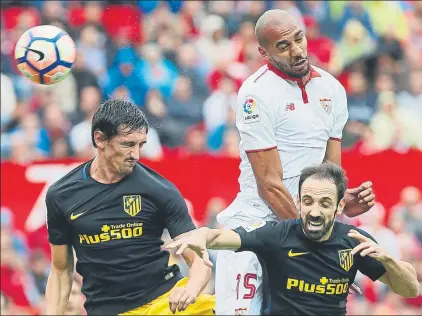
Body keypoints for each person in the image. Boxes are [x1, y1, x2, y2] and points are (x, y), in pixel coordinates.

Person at [215, 9, 376, 315]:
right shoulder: (255, 94)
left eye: (299, 38)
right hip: (256, 222)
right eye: (283, 46)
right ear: (263, 52)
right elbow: (270, 186)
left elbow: (330, 173)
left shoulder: (332, 89)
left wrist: (341, 199)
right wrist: (314, 247)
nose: (298, 50)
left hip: (303, 223)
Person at [167, 163, 420, 316]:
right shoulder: (277, 234)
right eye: (308, 201)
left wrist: (387, 259)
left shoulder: (354, 241)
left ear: (340, 205)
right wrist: (202, 235)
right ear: (298, 202)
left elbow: (411, 290)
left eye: (325, 203)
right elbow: (223, 236)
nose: (314, 211)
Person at [44, 100, 215, 315]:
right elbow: (60, 271)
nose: (136, 154)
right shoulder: (61, 195)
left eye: (140, 144)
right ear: (100, 139)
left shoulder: (160, 189)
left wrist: (191, 289)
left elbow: (199, 258)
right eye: (127, 144)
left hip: (165, 302)